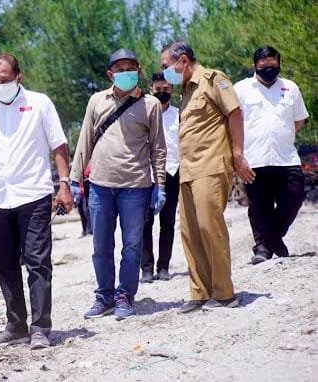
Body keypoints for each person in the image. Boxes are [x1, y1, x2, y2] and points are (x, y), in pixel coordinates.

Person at [0, 53, 73, 350]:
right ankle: (16, 325)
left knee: (37, 263)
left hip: (34, 195)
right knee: (4, 263)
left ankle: (40, 328)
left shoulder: (40, 103)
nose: (0, 85)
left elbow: (59, 145)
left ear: (19, 77)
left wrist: (65, 185)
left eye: (5, 80)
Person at [159, 40, 255, 313]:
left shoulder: (214, 80)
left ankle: (224, 292)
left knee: (209, 227)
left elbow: (235, 114)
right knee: (190, 232)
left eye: (167, 67)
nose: (166, 73)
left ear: (184, 61)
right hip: (189, 170)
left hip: (211, 165)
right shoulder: (186, 91)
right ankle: (199, 291)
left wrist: (238, 155)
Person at [71, 48, 166, 320]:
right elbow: (85, 141)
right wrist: (75, 179)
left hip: (135, 186)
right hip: (99, 185)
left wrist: (160, 184)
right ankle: (104, 296)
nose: (126, 73)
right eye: (120, 69)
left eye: (131, 67)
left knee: (132, 245)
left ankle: (125, 296)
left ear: (139, 70)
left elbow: (158, 148)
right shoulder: (96, 101)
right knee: (101, 245)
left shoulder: (151, 105)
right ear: (110, 74)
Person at [234, 46, 309, 264]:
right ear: (254, 66)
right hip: (254, 157)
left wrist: (280, 134)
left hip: (286, 156)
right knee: (259, 204)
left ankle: (273, 239)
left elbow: (299, 120)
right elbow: (233, 123)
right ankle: (263, 249)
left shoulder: (290, 88)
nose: (269, 69)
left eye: (273, 65)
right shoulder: (241, 89)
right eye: (264, 65)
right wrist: (237, 156)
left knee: (294, 197)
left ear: (279, 64)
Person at [141, 73, 181, 283]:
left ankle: (163, 266)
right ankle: (146, 268)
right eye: (158, 89)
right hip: (147, 174)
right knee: (145, 222)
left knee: (168, 222)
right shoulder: (144, 112)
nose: (162, 93)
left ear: (172, 90)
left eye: (166, 89)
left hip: (173, 171)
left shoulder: (179, 115)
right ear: (151, 90)